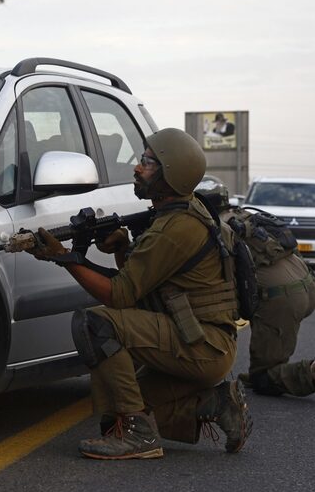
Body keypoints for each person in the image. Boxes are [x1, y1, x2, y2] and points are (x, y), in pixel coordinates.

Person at [26, 128, 252, 460]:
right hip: (202, 338)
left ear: (169, 175)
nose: (136, 167)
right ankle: (217, 404)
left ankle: (139, 435)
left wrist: (65, 258)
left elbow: (119, 296)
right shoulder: (183, 213)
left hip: (200, 344)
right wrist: (123, 248)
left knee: (96, 324)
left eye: (147, 162)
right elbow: (141, 286)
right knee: (111, 415)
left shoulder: (175, 229)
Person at [198, 179, 315, 404]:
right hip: (307, 286)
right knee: (262, 365)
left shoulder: (215, 227)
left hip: (281, 299)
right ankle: (265, 369)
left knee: (264, 380)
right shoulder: (243, 215)